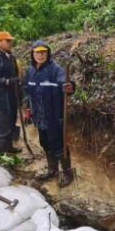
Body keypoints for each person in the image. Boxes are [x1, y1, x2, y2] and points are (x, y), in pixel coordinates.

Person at [24, 41, 75, 187]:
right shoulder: (30, 71)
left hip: (54, 116)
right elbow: (27, 92)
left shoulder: (55, 69)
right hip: (39, 116)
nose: (40, 55)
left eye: (43, 52)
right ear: (32, 54)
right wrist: (28, 110)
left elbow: (66, 84)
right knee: (45, 143)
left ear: (48, 53)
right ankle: (52, 169)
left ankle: (67, 173)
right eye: (37, 52)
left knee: (59, 145)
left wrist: (70, 87)